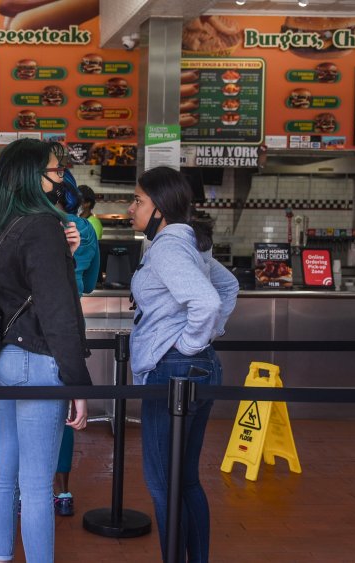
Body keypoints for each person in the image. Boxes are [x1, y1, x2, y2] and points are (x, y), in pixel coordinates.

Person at [0, 138, 91, 563]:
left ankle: (1, 558)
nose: (61, 176)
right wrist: (78, 383)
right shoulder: (42, 226)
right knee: (39, 483)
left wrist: (65, 256)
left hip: (4, 360)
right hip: (37, 363)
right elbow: (57, 313)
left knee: (6, 473)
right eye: (56, 170)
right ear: (32, 175)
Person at [127, 166, 239, 563]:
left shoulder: (170, 247)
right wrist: (205, 339)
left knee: (162, 483)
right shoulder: (187, 243)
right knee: (185, 480)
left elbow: (208, 300)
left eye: (138, 201)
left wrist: (187, 342)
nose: (131, 209)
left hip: (174, 370)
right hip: (197, 368)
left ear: (160, 206)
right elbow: (226, 286)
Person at [49, 169, 99, 517]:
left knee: (28, 409)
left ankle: (26, 491)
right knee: (65, 410)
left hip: (33, 327)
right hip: (71, 322)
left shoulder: (32, 223)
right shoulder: (84, 230)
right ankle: (63, 492)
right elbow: (92, 282)